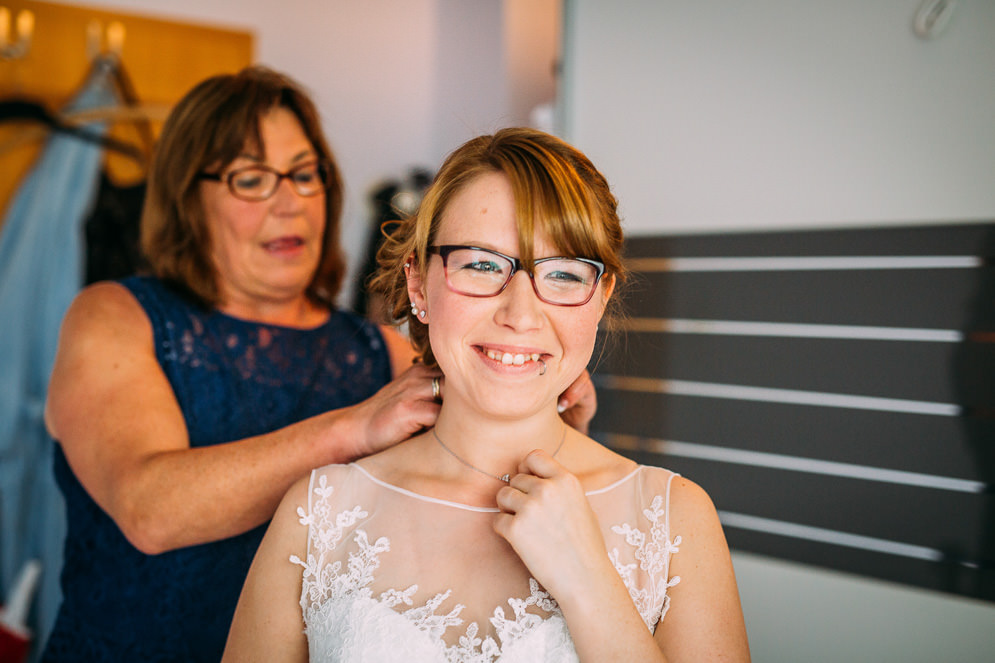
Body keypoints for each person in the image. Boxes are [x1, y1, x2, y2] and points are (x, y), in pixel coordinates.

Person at [41, 69, 595, 662]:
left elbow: (465, 515)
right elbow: (149, 510)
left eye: (305, 175)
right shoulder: (116, 317)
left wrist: (538, 411)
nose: (290, 202)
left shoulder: (380, 352)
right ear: (186, 197)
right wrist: (350, 430)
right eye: (251, 179)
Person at [223, 128, 750, 662]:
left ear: (601, 297)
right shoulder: (318, 513)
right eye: (481, 264)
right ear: (418, 287)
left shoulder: (674, 519)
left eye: (564, 273)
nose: (520, 314)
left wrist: (589, 582)